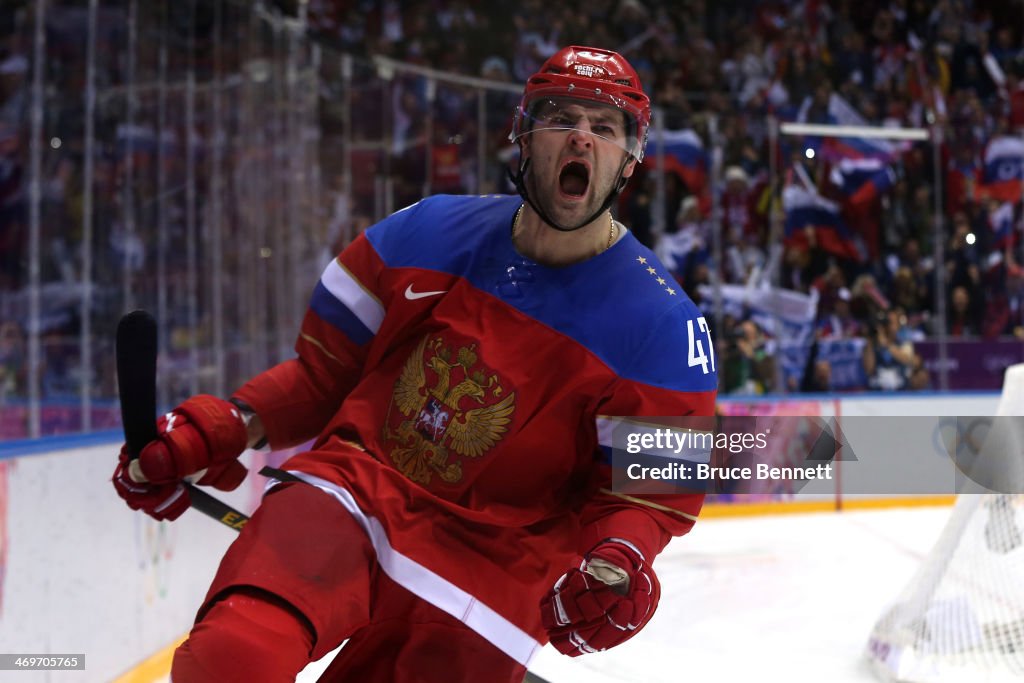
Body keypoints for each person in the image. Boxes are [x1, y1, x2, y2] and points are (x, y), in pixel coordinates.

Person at [112, 46, 717, 682]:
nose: (581, 138)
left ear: (630, 157)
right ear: (523, 133)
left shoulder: (665, 329)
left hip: (493, 576)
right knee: (232, 658)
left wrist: (619, 561)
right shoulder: (422, 234)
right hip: (353, 497)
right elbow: (321, 379)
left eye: (604, 126)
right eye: (561, 117)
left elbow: (646, 497)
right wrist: (220, 427)